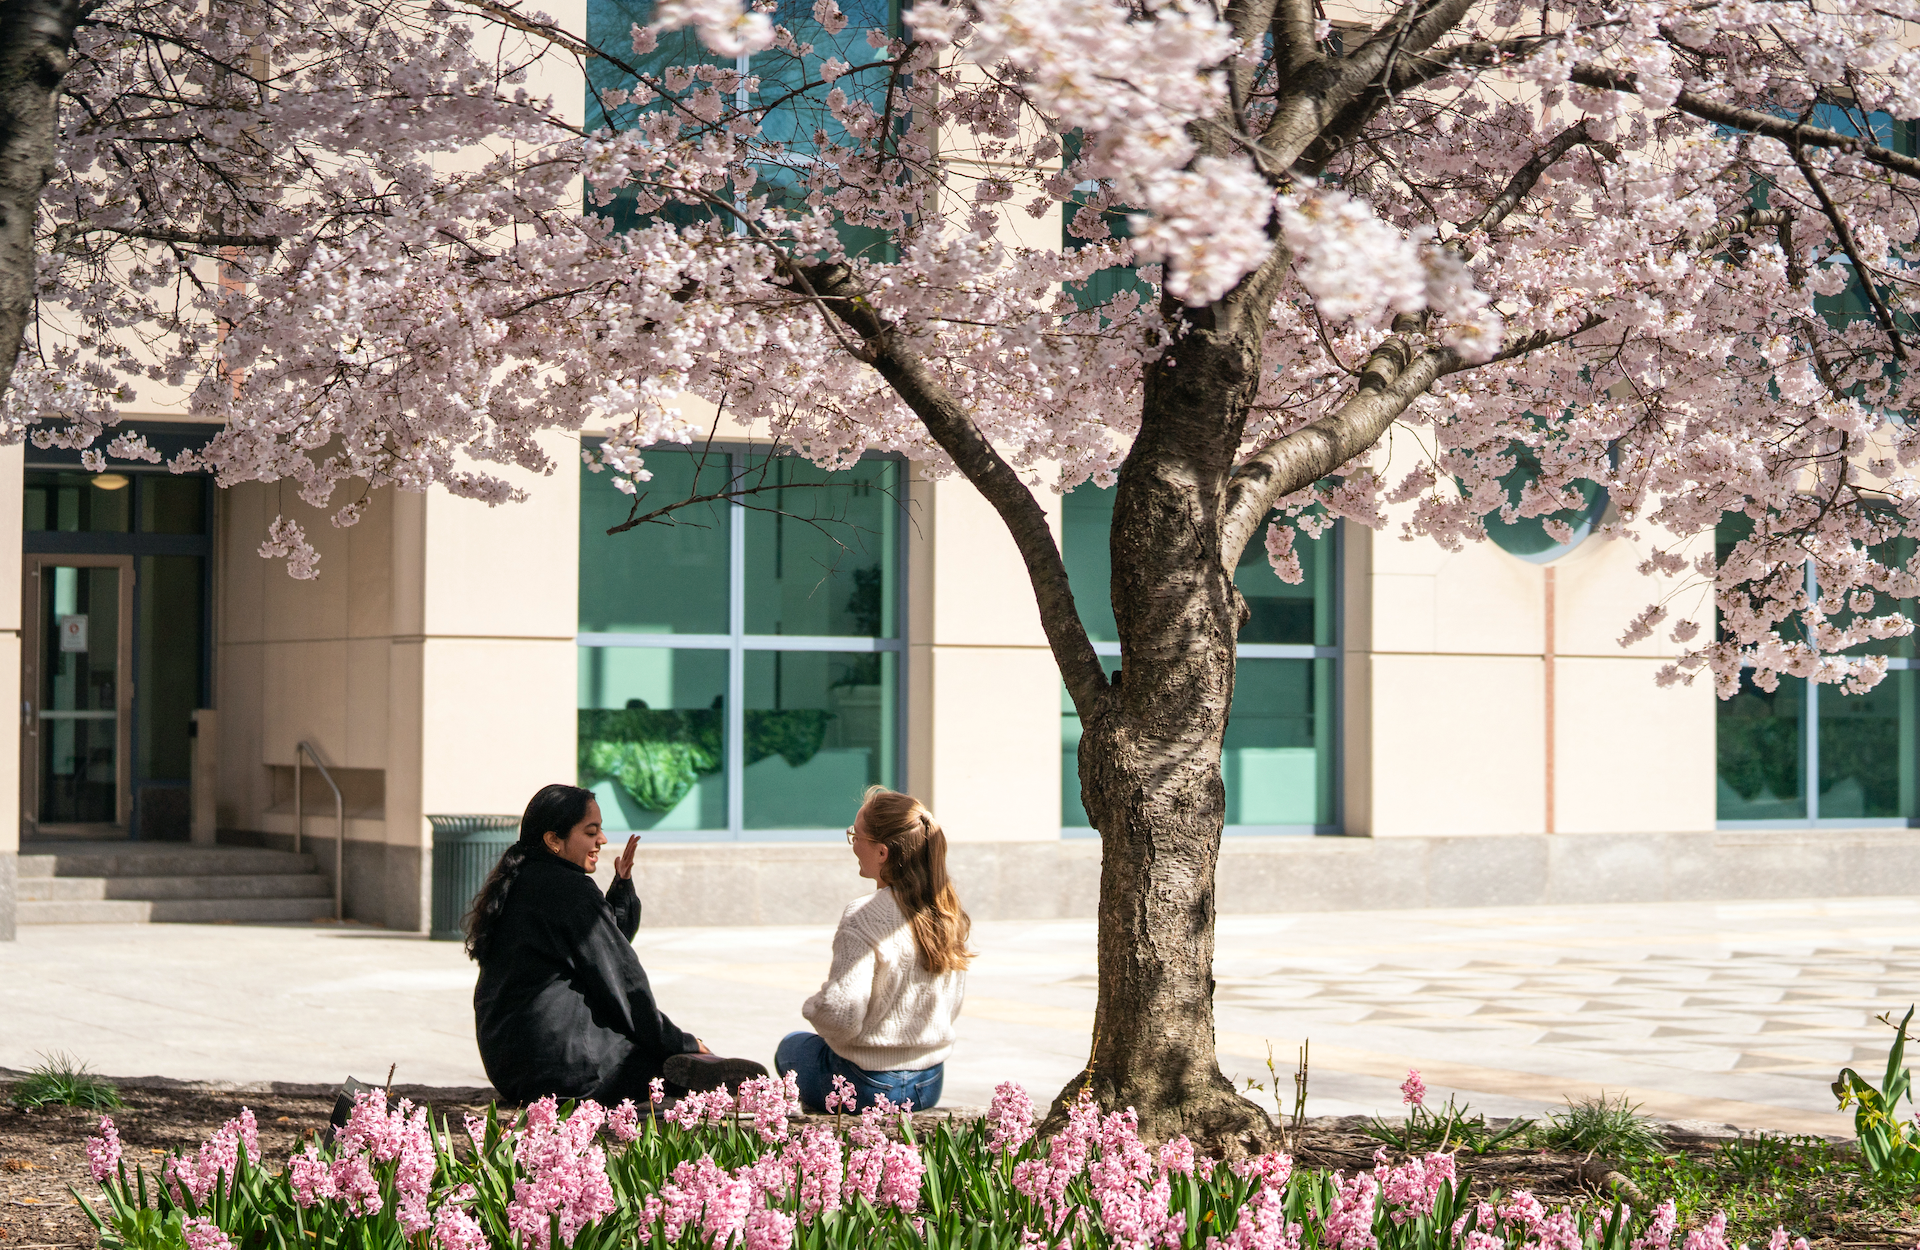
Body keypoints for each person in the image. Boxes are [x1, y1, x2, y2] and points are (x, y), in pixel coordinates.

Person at [467, 783, 765, 1104]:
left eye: (601, 830)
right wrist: (685, 1043)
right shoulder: (571, 891)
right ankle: (709, 1080)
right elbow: (624, 987)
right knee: (663, 1068)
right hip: (566, 1070)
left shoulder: (517, 881)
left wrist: (621, 888)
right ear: (553, 840)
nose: (603, 840)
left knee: (654, 1050)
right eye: (590, 831)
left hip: (511, 1070)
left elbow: (598, 948)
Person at [777, 786, 970, 1112]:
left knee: (790, 1047)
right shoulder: (947, 912)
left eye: (856, 836)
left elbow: (840, 1017)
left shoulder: (863, 915)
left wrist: (813, 1006)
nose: (853, 845)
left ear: (882, 853)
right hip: (929, 1083)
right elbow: (950, 1007)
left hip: (866, 1088)